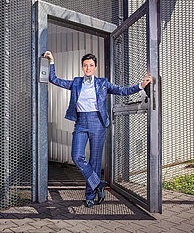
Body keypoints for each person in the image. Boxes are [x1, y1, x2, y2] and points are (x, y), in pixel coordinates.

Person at [44, 51, 152, 208]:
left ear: (95, 67)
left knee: (94, 161)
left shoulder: (103, 83)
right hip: (81, 122)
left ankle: (90, 195)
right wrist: (51, 61)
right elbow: (53, 79)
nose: (88, 68)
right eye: (85, 65)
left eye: (91, 65)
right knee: (76, 156)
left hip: (97, 123)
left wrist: (140, 86)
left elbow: (121, 90)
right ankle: (98, 184)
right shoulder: (76, 82)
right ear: (82, 67)